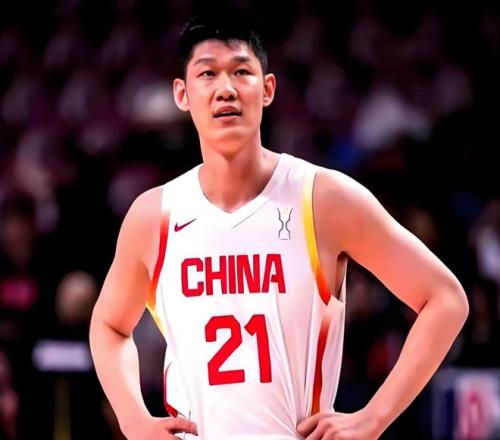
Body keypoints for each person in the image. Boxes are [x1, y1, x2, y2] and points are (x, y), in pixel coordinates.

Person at [89, 15, 469, 440]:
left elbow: (445, 299)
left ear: (267, 88)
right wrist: (133, 419)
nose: (226, 88)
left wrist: (373, 418)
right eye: (208, 73)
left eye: (241, 71)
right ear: (182, 94)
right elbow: (108, 326)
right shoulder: (154, 214)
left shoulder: (323, 198)